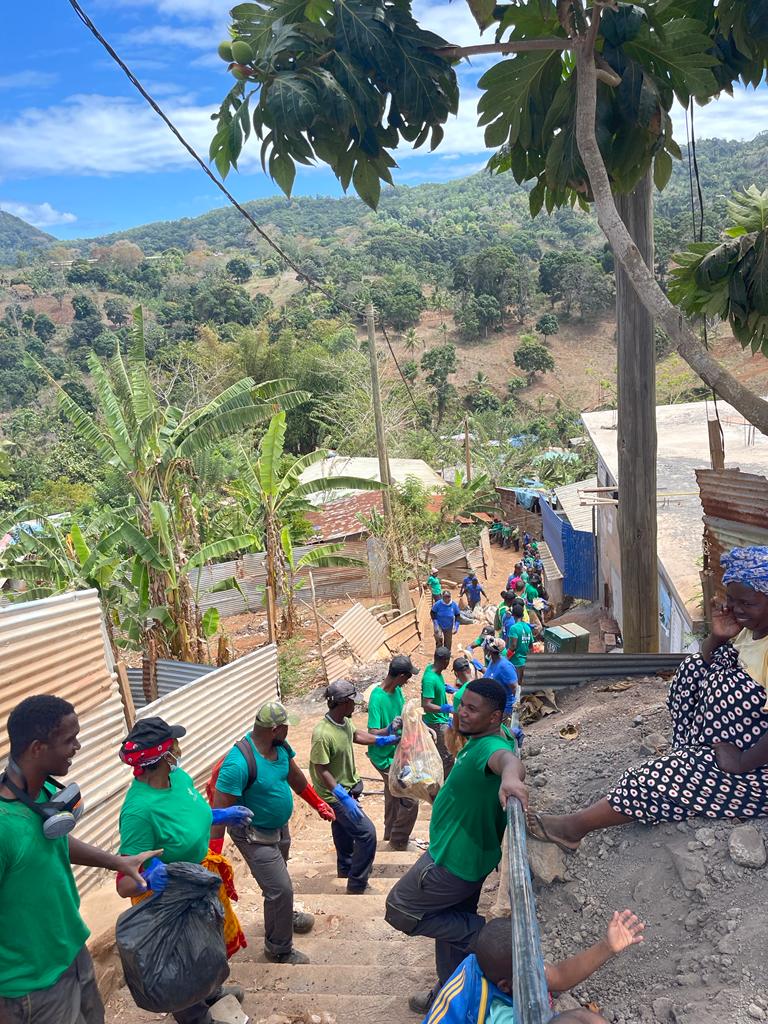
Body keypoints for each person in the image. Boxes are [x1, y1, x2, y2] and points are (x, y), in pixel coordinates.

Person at [528, 545, 768, 853]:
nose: (735, 609)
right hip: (730, 743)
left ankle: (573, 829)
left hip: (755, 767)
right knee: (696, 666)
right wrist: (719, 636)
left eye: (746, 602)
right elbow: (712, 662)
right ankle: (690, 757)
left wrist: (742, 762)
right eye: (732, 599)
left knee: (651, 778)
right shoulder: (752, 629)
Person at [0, 696, 157, 1024]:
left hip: (71, 953)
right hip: (31, 986)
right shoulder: (3, 827)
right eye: (69, 740)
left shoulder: (38, 795)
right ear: (38, 749)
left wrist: (117, 862)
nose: (78, 746)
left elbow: (49, 842)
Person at [385, 679, 526, 1015]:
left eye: (472, 709)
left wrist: (511, 778)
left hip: (451, 862)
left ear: (495, 718)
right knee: (450, 930)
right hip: (470, 857)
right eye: (462, 704)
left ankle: (485, 936)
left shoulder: (491, 748)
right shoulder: (481, 738)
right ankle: (448, 988)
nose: (462, 712)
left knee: (399, 909)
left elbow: (506, 761)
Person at [117, 717, 251, 1024]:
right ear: (164, 754)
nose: (179, 746)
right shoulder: (139, 810)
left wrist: (220, 814)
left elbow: (192, 814)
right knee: (182, 959)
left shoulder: (178, 779)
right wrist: (150, 873)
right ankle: (194, 1015)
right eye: (174, 743)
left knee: (206, 945)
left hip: (199, 882)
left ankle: (211, 992)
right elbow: (129, 867)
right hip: (170, 895)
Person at [211, 701, 336, 966]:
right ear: (276, 729)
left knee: (281, 881)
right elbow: (219, 813)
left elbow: (297, 780)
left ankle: (282, 915)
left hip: (279, 828)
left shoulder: (279, 748)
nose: (289, 730)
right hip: (253, 835)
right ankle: (278, 949)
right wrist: (214, 858)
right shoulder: (238, 764)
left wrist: (319, 804)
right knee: (280, 889)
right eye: (287, 726)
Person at [421, 909, 644, 1023]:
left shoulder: (499, 965)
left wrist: (608, 946)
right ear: (505, 986)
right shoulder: (502, 1014)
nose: (542, 971)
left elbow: (559, 975)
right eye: (533, 971)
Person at [309, 680, 398, 894]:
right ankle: (357, 884)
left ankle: (345, 870)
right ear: (344, 703)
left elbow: (356, 735)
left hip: (346, 789)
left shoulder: (343, 723)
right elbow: (322, 769)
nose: (355, 706)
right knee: (367, 834)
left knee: (342, 831)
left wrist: (383, 737)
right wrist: (342, 797)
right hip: (333, 795)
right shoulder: (322, 734)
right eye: (353, 703)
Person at [367, 656, 420, 850]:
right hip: (383, 757)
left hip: (397, 752)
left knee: (392, 794)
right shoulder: (377, 698)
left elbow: (405, 716)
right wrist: (388, 730)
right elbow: (372, 733)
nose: (407, 682)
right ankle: (398, 840)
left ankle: (390, 833)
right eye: (407, 677)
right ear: (399, 676)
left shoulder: (397, 692)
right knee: (409, 797)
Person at [421, 646, 456, 779]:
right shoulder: (430, 679)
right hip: (436, 722)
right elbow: (426, 705)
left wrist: (444, 688)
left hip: (441, 719)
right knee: (447, 757)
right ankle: (446, 784)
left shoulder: (432, 669)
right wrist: (444, 708)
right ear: (446, 661)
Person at [483, 638, 519, 719]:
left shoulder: (505, 666)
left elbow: (515, 689)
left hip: (505, 711)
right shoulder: (493, 662)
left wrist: (515, 714)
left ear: (490, 651)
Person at [505, 603, 535, 684]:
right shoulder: (527, 627)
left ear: (513, 615)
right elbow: (531, 646)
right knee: (521, 685)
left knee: (515, 686)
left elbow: (513, 646)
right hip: (525, 661)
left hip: (516, 662)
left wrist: (506, 658)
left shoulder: (514, 628)